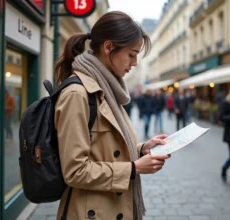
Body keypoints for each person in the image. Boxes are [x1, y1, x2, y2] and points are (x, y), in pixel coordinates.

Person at [53, 11, 171, 220]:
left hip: (112, 206)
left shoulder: (107, 88)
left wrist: (142, 149)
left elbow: (105, 148)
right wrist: (133, 168)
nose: (134, 63)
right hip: (92, 213)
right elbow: (75, 171)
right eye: (132, 54)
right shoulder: (77, 94)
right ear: (108, 48)